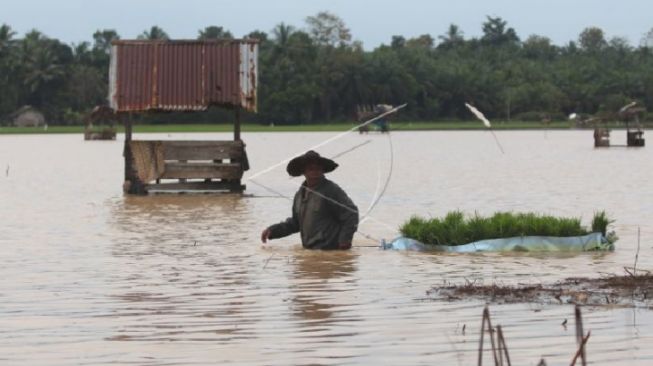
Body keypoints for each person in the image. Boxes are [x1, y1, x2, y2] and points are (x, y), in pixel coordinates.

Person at [260, 150, 359, 250]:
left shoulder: (331, 190)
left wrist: (345, 240)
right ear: (303, 171)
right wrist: (272, 231)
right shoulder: (299, 195)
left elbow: (351, 214)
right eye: (311, 168)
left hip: (330, 250)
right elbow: (295, 224)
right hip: (310, 250)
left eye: (318, 168)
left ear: (322, 170)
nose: (315, 171)